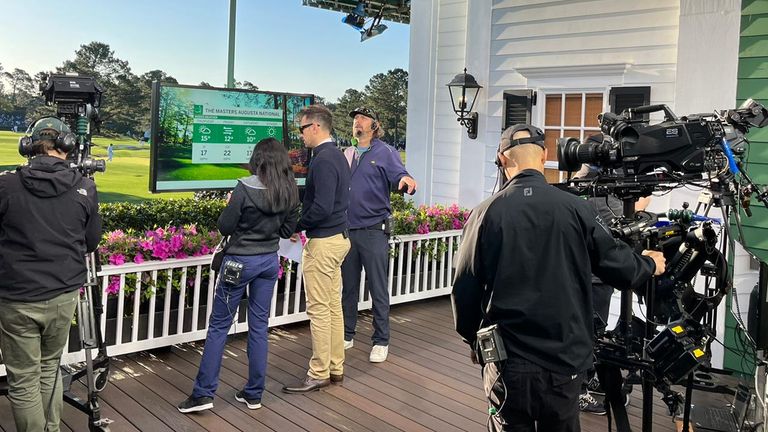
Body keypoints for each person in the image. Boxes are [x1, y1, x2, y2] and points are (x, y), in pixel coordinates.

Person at [451, 124, 666, 432]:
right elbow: (618, 266)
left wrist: (472, 338)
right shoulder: (575, 208)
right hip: (563, 361)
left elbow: (464, 289)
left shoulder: (485, 213)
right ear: (545, 156)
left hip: (507, 361)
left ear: (502, 158)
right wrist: (648, 264)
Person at [178, 137, 299, 413]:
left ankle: (203, 394)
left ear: (258, 159)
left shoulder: (244, 187)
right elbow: (286, 230)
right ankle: (254, 394)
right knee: (259, 327)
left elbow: (225, 225)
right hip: (269, 262)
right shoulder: (290, 190)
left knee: (220, 326)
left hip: (238, 263)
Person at [0, 117, 101, 432]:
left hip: (15, 298)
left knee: (24, 379)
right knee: (49, 369)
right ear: (67, 147)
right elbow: (91, 241)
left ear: (28, 146)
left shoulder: (5, 184)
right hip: (62, 296)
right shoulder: (85, 186)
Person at [282, 105, 351, 394]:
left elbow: (320, 207)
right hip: (339, 239)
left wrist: (295, 225)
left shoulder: (323, 160)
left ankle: (319, 372)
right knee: (333, 307)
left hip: (323, 244)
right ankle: (336, 368)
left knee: (319, 310)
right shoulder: (337, 156)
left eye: (302, 128)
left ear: (316, 127)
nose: (300, 135)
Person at [341, 107, 416, 363]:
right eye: (354, 119)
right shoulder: (347, 153)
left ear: (374, 125)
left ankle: (381, 340)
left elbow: (400, 174)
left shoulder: (385, 151)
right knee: (348, 287)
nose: (356, 122)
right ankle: (347, 334)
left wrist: (407, 180)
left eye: (362, 118)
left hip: (374, 231)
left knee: (378, 288)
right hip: (347, 232)